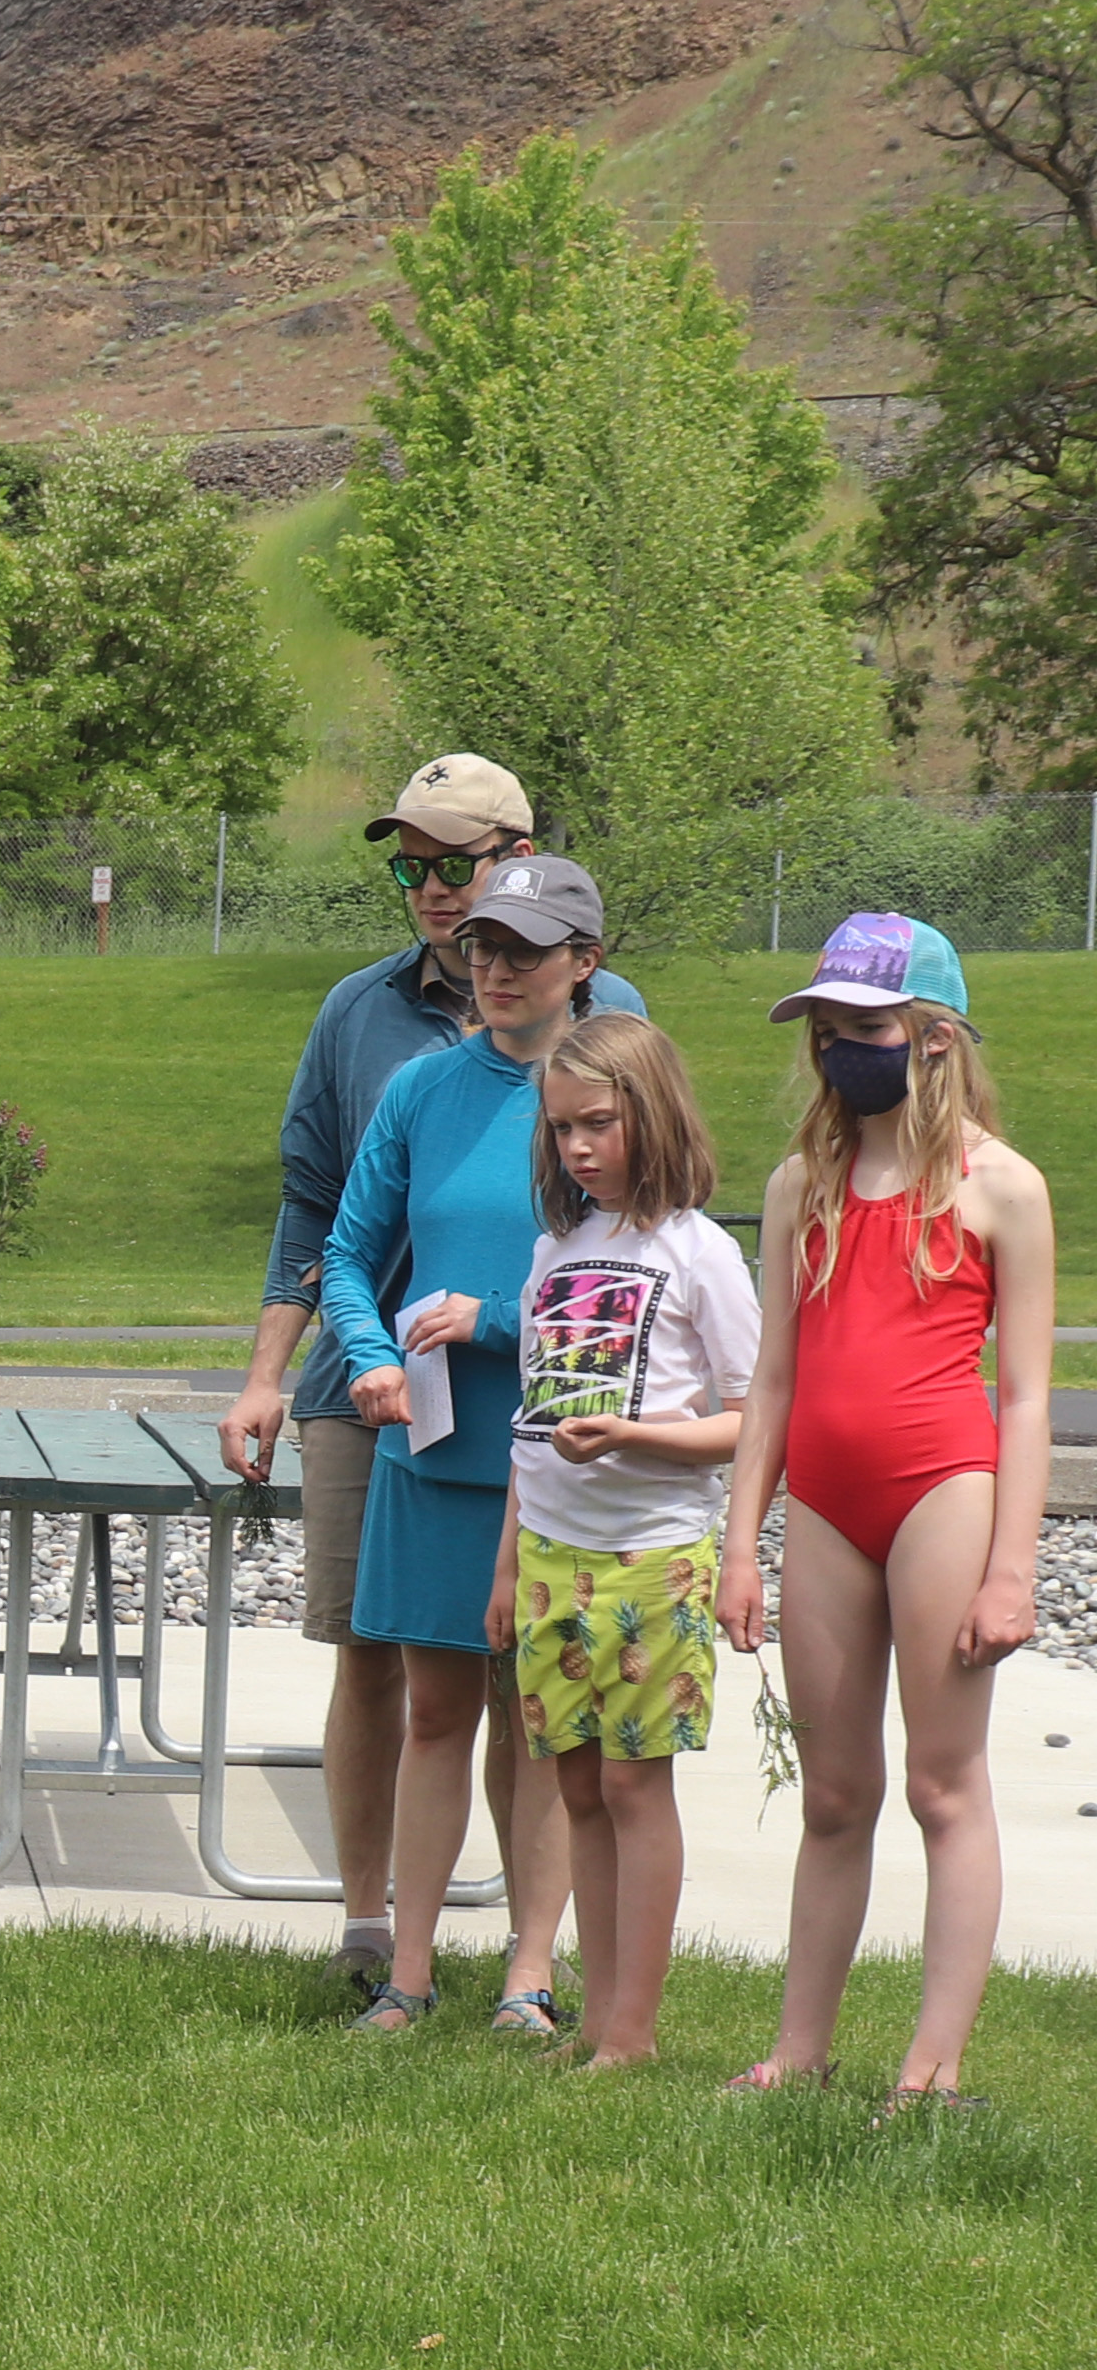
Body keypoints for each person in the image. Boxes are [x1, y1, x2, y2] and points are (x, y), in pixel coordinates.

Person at [222, 755, 643, 1991]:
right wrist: (291, 1366)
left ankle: (529, 1962)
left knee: (533, 1691)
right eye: (409, 865)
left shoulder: (611, 1034)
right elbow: (318, 1217)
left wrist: (514, 1336)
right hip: (391, 1408)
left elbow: (641, 1239)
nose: (431, 892)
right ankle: (373, 1934)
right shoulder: (366, 1023)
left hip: (553, 1417)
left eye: (452, 864)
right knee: (383, 1660)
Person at [721, 916, 1058, 2106]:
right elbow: (769, 1379)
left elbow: (1022, 1395)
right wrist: (738, 1545)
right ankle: (797, 2052)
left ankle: (930, 2066)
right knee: (832, 1791)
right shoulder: (795, 1186)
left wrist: (1008, 1566)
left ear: (929, 1036)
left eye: (861, 1025)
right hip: (822, 1502)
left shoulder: (999, 1187)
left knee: (940, 1782)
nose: (836, 1046)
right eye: (824, 1027)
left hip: (941, 1491)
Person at [319, 850, 622, 2036]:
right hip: (429, 1450)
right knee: (432, 1710)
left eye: (524, 952)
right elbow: (347, 1253)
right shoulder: (420, 1090)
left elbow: (631, 1275)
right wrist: (371, 1353)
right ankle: (404, 1974)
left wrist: (492, 1321)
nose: (493, 969)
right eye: (481, 948)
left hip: (558, 1449)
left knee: (540, 1717)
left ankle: (527, 1976)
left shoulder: (608, 1102)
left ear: (582, 965)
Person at [480, 1016, 754, 2075]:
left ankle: (629, 2032)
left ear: (651, 1113)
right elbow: (529, 1427)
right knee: (578, 1788)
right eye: (559, 1130)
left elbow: (750, 1417)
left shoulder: (698, 1253)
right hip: (551, 1558)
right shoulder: (554, 1252)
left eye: (597, 1123)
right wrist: (507, 1563)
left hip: (653, 1557)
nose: (577, 1148)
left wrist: (635, 1436)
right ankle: (593, 2021)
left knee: (637, 1790)